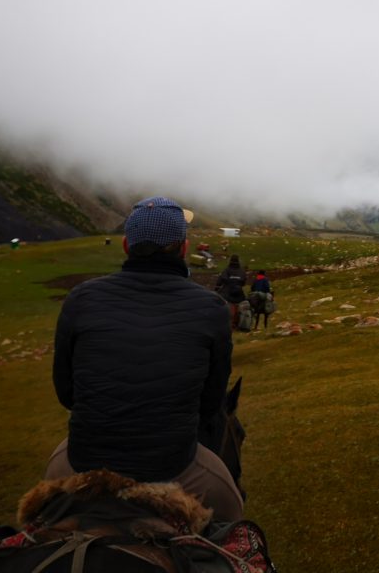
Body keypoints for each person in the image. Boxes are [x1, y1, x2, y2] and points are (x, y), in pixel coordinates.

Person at [46, 196, 243, 522]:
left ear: (126, 246)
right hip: (173, 465)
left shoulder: (81, 298)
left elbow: (66, 394)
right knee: (232, 513)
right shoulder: (212, 308)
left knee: (42, 510)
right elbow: (210, 407)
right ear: (183, 248)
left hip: (82, 461)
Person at [215, 254, 248, 330]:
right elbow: (243, 282)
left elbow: (221, 280)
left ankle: (228, 324)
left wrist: (216, 289)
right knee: (237, 308)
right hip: (239, 294)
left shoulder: (226, 270)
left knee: (227, 307)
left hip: (227, 293)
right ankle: (237, 324)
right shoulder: (241, 271)